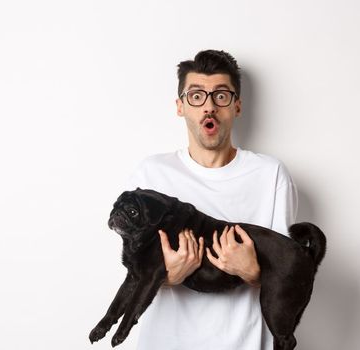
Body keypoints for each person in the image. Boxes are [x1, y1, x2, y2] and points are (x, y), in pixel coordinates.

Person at [126, 50, 298, 350]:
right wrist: (166, 276)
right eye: (196, 96)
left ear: (237, 106)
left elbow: (289, 275)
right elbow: (133, 269)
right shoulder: (151, 174)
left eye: (221, 96)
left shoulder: (270, 175)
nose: (209, 106)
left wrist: (254, 272)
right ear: (180, 107)